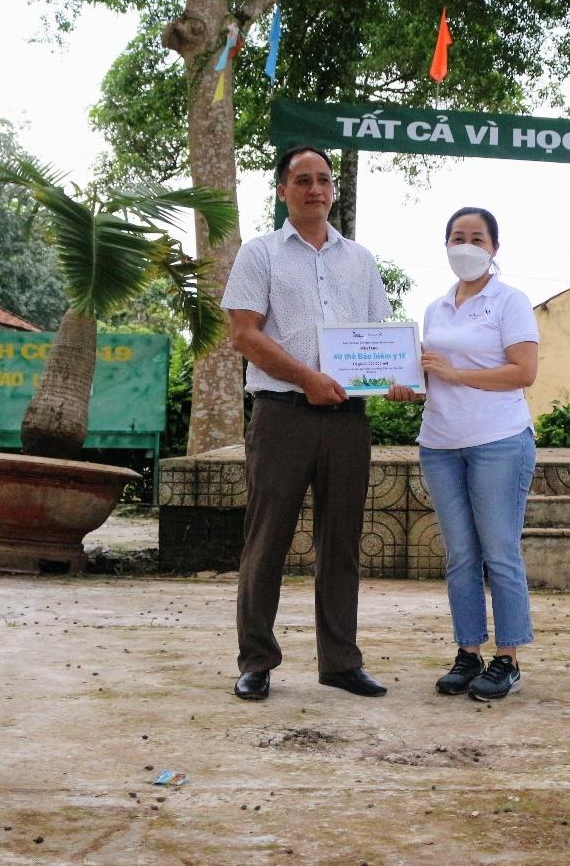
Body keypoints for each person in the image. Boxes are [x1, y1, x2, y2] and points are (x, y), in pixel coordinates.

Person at [221, 146, 392, 701]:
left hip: (348, 420)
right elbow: (245, 335)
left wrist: (393, 375)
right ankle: (256, 662)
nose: (314, 189)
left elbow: (377, 338)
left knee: (341, 541)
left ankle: (340, 660)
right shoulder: (260, 253)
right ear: (282, 190)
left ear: (332, 190)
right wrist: (307, 379)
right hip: (282, 416)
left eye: (323, 180)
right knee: (267, 540)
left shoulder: (360, 259)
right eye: (302, 180)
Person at [385, 206, 539, 701]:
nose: (466, 245)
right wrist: (410, 385)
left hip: (499, 440)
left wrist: (455, 374)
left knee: (500, 552)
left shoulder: (510, 302)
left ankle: (507, 658)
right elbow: (429, 374)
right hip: (440, 444)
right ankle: (468, 652)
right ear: (445, 245)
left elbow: (523, 372)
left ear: (495, 247)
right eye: (458, 236)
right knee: (460, 556)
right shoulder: (436, 308)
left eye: (477, 237)